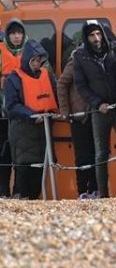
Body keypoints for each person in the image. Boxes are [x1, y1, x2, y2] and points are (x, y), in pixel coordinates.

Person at [73, 20, 116, 198]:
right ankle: (103, 194)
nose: (96, 38)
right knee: (101, 152)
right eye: (92, 35)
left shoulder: (114, 50)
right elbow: (81, 86)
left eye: (98, 34)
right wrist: (97, 103)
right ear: (86, 38)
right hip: (100, 109)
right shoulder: (80, 57)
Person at [5, 40, 58, 199]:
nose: (36, 63)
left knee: (39, 173)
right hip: (23, 131)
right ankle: (22, 201)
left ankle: (33, 201)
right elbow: (11, 106)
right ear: (27, 59)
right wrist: (30, 115)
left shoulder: (46, 75)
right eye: (33, 60)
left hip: (43, 131)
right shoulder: (14, 79)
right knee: (23, 172)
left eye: (39, 60)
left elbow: (54, 93)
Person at [57, 41, 98, 199]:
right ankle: (82, 191)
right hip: (79, 116)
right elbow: (62, 84)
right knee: (82, 156)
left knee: (96, 154)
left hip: (93, 113)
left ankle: (95, 190)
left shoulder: (95, 59)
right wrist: (65, 111)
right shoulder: (75, 60)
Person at [0, 19, 26, 197]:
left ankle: (18, 190)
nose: (17, 36)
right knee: (4, 154)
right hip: (2, 113)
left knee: (21, 154)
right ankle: (2, 191)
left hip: (22, 112)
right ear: (7, 36)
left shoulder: (30, 53)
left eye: (19, 33)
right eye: (13, 33)